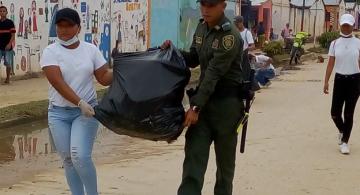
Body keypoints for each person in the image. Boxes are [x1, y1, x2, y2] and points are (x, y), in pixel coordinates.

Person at [162, 0, 244, 194]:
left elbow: (213, 74)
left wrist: (195, 108)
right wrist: (174, 51)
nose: (205, 10)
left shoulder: (229, 36)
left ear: (223, 6)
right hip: (203, 105)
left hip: (226, 108)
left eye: (211, 5)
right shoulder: (201, 27)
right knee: (193, 159)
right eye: (203, 5)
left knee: (224, 168)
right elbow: (193, 59)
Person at [39, 8, 113, 195]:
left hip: (86, 113)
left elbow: (104, 77)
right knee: (68, 160)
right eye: (60, 26)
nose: (63, 30)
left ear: (78, 27)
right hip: (58, 114)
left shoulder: (90, 50)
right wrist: (79, 102)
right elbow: (57, 82)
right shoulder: (50, 52)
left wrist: (124, 67)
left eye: (68, 26)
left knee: (80, 156)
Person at [323, 14, 360, 155]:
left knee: (349, 113)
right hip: (340, 80)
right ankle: (342, 130)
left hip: (355, 80)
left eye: (348, 25)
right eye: (343, 25)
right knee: (334, 113)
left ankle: (345, 142)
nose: (346, 27)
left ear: (352, 26)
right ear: (340, 25)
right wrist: (326, 81)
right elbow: (330, 63)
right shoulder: (334, 43)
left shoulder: (358, 43)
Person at [0, 6, 16, 84]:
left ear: (6, 12)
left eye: (4, 11)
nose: (2, 12)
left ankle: (8, 78)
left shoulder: (10, 22)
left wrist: (9, 44)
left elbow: (13, 35)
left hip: (7, 47)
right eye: (1, 11)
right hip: (0, 47)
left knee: (8, 64)